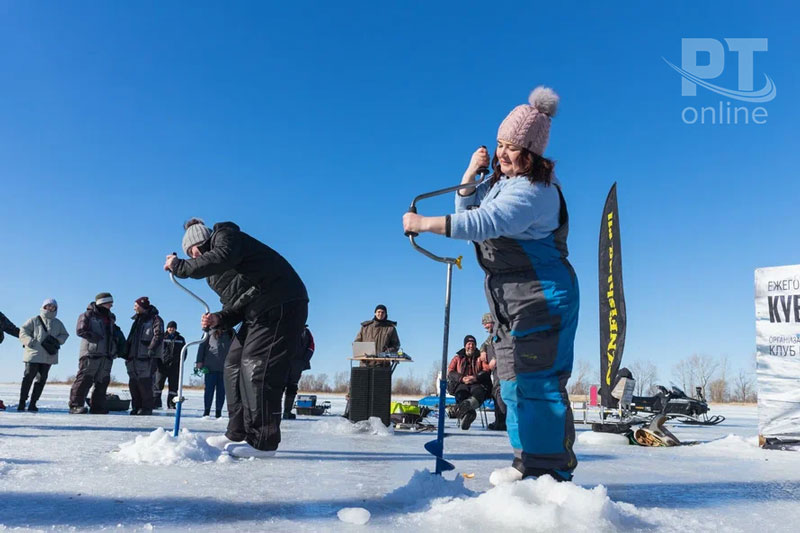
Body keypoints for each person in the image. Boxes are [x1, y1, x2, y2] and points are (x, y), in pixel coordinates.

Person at [402, 87, 579, 483]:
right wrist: (469, 175)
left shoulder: (535, 191)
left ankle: (550, 472)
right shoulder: (502, 183)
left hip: (542, 297)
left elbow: (484, 224)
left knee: (538, 384)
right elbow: (469, 208)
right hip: (511, 299)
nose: (502, 153)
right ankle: (527, 463)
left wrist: (424, 225)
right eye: (500, 143)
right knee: (513, 385)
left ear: (531, 152)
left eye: (512, 147)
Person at [165, 218, 308, 458]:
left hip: (282, 301)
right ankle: (237, 431)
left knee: (256, 365)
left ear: (203, 241)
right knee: (232, 363)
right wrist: (218, 319)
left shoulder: (227, 236)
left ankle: (263, 441)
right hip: (257, 312)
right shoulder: (216, 276)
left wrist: (180, 266)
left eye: (193, 251)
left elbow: (221, 257)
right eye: (190, 254)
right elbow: (235, 306)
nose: (195, 256)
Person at [70, 292, 122, 414]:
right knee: (84, 380)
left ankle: (97, 406)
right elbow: (80, 330)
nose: (111, 305)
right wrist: (94, 337)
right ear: (102, 303)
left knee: (102, 381)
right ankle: (75, 405)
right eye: (109, 303)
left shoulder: (111, 317)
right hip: (90, 353)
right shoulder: (87, 315)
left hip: (107, 354)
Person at [17, 299, 69, 412]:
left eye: (53, 307)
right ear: (44, 307)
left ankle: (33, 403)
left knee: (41, 380)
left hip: (48, 356)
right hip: (33, 354)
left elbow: (65, 335)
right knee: (28, 377)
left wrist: (57, 340)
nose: (50, 308)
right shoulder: (34, 320)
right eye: (48, 306)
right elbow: (23, 331)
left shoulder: (58, 323)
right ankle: (21, 403)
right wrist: (30, 341)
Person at [125, 297, 164, 416]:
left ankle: (146, 408)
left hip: (146, 357)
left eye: (136, 305)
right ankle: (136, 406)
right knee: (133, 383)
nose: (134, 308)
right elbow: (131, 338)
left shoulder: (155, 319)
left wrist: (151, 349)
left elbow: (158, 335)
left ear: (142, 306)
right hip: (133, 357)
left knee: (145, 383)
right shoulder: (137, 320)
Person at [447, 335, 491, 430]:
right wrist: (461, 378)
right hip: (461, 383)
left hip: (477, 383)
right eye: (469, 344)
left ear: (475, 346)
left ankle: (467, 407)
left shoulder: (480, 357)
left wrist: (475, 378)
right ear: (465, 345)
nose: (471, 346)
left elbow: (486, 370)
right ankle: (468, 414)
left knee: (479, 393)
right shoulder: (457, 358)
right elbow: (450, 371)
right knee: (460, 394)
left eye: (473, 344)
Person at [196, 328, 234, 418]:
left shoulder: (231, 333)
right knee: (209, 391)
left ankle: (218, 412)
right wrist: (199, 361)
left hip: (224, 368)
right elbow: (201, 347)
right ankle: (207, 411)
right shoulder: (209, 333)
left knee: (221, 392)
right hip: (210, 368)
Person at [480, 312, 507, 431]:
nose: (485, 326)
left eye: (486, 323)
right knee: (496, 392)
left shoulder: (501, 332)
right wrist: (483, 351)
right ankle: (499, 420)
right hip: (496, 372)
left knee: (500, 393)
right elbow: (484, 344)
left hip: (504, 368)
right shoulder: (492, 335)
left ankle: (503, 423)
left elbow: (506, 346)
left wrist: (495, 359)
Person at [282, 325, 315, 419]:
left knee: (292, 386)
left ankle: (287, 412)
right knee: (280, 386)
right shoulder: (283, 327)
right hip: (284, 362)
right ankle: (278, 411)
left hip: (297, 363)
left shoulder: (306, 332)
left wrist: (303, 361)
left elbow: (311, 347)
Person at [154, 320, 186, 409]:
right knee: (158, 385)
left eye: (173, 327)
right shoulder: (161, 338)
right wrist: (158, 362)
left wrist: (180, 362)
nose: (171, 329)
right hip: (162, 365)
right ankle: (156, 403)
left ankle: (172, 403)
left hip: (174, 366)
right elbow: (156, 350)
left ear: (175, 329)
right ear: (167, 328)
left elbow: (184, 352)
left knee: (173, 387)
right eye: (170, 327)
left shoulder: (180, 339)